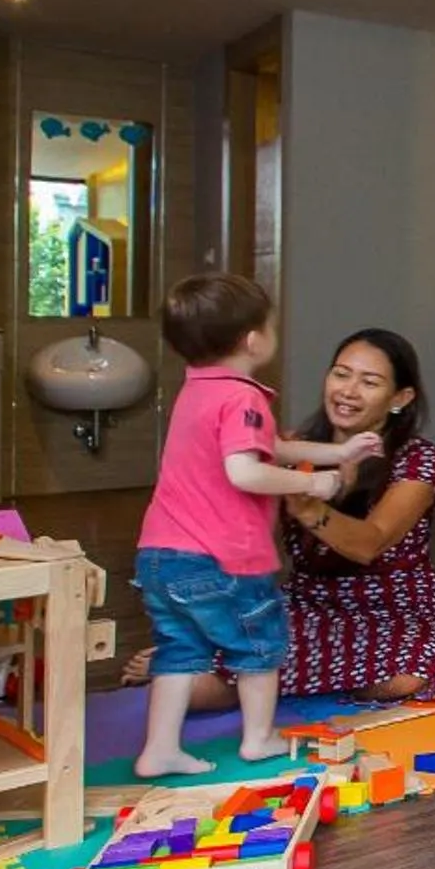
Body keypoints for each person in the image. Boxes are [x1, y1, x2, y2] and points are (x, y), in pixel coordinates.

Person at [121, 330, 435, 707]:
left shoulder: (420, 458)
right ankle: (206, 654)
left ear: (401, 398)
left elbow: (370, 543)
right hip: (307, 603)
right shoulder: (291, 448)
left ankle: (253, 667)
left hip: (398, 608)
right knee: (193, 690)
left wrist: (310, 508)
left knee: (406, 679)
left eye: (369, 382)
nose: (348, 390)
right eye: (341, 374)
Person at [131, 274, 375, 780]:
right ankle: (258, 738)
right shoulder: (243, 398)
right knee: (259, 644)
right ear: (252, 340)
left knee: (181, 650)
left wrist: (339, 452)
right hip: (219, 556)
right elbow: (244, 469)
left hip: (160, 553)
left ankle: (159, 749)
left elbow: (271, 447)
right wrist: (316, 486)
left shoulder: (197, 391)